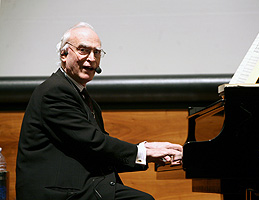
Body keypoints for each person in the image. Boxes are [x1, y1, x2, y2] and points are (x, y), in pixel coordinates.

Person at [16, 22, 183, 200]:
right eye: (83, 50)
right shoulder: (55, 91)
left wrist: (147, 153)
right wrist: (142, 152)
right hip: (56, 191)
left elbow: (100, 152)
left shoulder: (86, 100)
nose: (91, 58)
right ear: (64, 54)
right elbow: (94, 143)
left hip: (76, 186)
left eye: (96, 52)